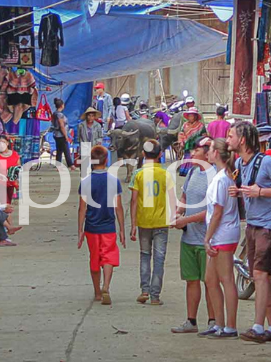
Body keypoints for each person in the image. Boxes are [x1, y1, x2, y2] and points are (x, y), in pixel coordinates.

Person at [226, 121, 271, 343]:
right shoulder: (241, 163)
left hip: (268, 224)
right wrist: (241, 193)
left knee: (260, 274)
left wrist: (261, 192)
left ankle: (258, 326)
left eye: (230, 136)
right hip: (254, 223)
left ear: (243, 140)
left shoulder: (266, 162)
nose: (228, 140)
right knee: (260, 276)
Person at [170, 137, 216, 334]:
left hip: (208, 239)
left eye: (195, 151)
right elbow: (185, 196)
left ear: (207, 154)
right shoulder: (192, 173)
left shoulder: (216, 177)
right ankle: (191, 320)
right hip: (189, 237)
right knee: (191, 280)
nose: (191, 154)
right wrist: (178, 212)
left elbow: (212, 212)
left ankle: (214, 321)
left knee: (210, 282)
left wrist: (185, 220)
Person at [203, 138, 242, 339]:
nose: (207, 153)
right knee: (210, 279)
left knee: (226, 279)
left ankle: (230, 325)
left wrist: (207, 238)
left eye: (209, 149)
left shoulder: (221, 179)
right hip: (223, 232)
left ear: (216, 153)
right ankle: (219, 323)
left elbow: (217, 211)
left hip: (223, 233)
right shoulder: (224, 176)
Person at [77, 145, 126, 305]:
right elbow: (118, 207)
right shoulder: (113, 181)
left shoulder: (85, 182)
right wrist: (122, 230)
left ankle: (97, 292)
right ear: (106, 160)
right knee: (108, 256)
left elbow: (82, 209)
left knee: (94, 258)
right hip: (108, 227)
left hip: (91, 227)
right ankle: (106, 285)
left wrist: (80, 231)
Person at [129, 139, 176, 305]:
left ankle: (144, 290)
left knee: (145, 255)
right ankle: (155, 296)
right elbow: (172, 198)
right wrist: (173, 218)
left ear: (143, 154)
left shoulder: (138, 174)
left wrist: (133, 224)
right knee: (159, 258)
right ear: (160, 155)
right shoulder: (166, 174)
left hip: (144, 222)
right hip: (162, 222)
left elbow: (134, 201)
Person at [0, 134, 21, 205]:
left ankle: (6, 215)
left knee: (8, 202)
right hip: (0, 182)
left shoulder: (15, 154)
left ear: (7, 143)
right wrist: (1, 176)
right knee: (4, 203)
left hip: (11, 183)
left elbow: (18, 168)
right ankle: (5, 215)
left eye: (3, 142)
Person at [49, 97, 76, 171]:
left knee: (59, 150)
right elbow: (61, 126)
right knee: (66, 150)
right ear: (62, 105)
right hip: (61, 135)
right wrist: (66, 135)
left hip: (56, 134)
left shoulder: (55, 113)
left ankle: (58, 166)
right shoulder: (59, 115)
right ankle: (71, 165)